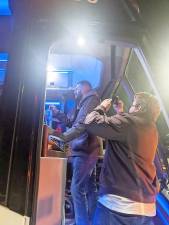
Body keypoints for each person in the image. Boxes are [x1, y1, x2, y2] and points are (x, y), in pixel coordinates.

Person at [84, 92, 161, 225]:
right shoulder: (151, 128)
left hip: (119, 207)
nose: (130, 108)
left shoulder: (129, 123)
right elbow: (127, 136)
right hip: (146, 208)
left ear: (140, 108)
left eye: (133, 105)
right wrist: (120, 112)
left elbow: (90, 122)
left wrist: (101, 107)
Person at [51, 80, 101, 225]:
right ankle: (92, 221)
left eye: (77, 88)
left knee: (76, 189)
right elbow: (71, 122)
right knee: (90, 188)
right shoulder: (83, 103)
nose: (74, 91)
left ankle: (82, 222)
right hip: (85, 150)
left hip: (85, 150)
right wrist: (58, 114)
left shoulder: (92, 100)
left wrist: (61, 139)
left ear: (85, 87)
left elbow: (81, 126)